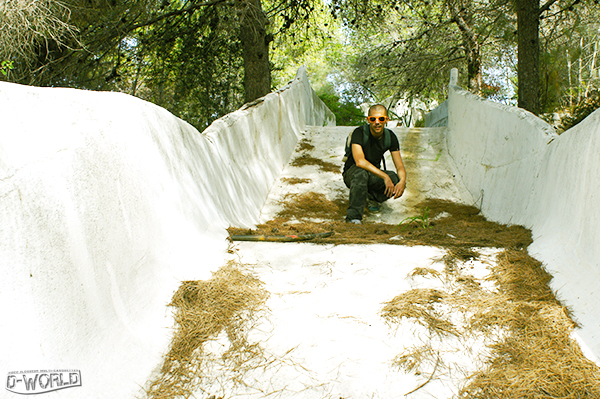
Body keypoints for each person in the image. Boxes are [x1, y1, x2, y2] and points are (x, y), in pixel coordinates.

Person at [342, 104, 407, 224]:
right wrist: (384, 176)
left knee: (395, 178)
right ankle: (353, 218)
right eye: (373, 119)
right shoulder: (359, 133)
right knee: (361, 174)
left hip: (373, 174)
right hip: (353, 173)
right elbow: (360, 161)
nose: (377, 122)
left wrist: (402, 182)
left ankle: (372, 198)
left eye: (381, 119)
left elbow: (400, 166)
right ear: (368, 120)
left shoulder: (390, 136)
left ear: (386, 120)